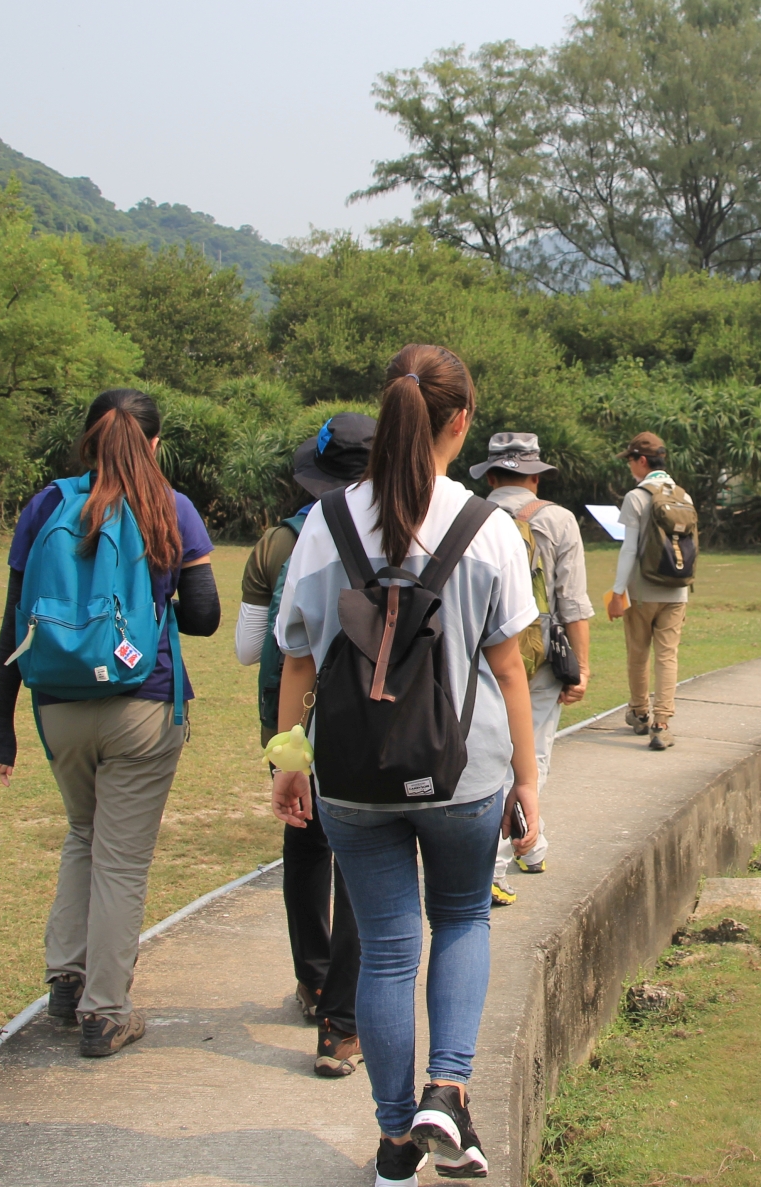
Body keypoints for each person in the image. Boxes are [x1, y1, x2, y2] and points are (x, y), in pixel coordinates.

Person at [270, 345, 540, 1186]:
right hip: (463, 773)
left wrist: (288, 760)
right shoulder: (488, 528)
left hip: (351, 775)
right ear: (459, 423)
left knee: (388, 951)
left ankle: (394, 1142)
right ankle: (446, 1092)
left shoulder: (326, 523)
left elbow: (298, 658)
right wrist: (528, 781)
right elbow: (508, 668)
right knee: (461, 919)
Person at [0, 388, 221, 1059]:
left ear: (89, 438)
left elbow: (13, 622)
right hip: (141, 706)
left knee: (83, 834)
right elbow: (203, 617)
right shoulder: (170, 508)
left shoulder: (45, 505)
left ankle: (67, 977)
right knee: (121, 858)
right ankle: (105, 1011)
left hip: (57, 706)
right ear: (152, 443)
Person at [235, 412, 373, 1078]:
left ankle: (312, 979)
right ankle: (339, 1024)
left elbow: (250, 648)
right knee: (359, 859)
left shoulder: (280, 541)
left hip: (297, 720)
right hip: (371, 723)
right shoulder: (397, 529)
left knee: (305, 842)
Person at [471, 432, 592, 904]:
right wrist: (580, 666)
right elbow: (573, 602)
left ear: (493, 476)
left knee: (484, 749)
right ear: (534, 477)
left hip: (478, 652)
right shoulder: (557, 519)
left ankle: (531, 844)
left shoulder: (468, 516)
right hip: (538, 654)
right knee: (530, 753)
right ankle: (497, 862)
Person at [609, 431, 690, 751]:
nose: (629, 466)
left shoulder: (636, 497)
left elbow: (629, 550)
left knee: (638, 653)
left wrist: (617, 593)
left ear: (642, 461)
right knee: (667, 656)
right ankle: (662, 724)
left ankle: (640, 713)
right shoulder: (684, 496)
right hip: (677, 591)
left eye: (630, 460)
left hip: (642, 591)